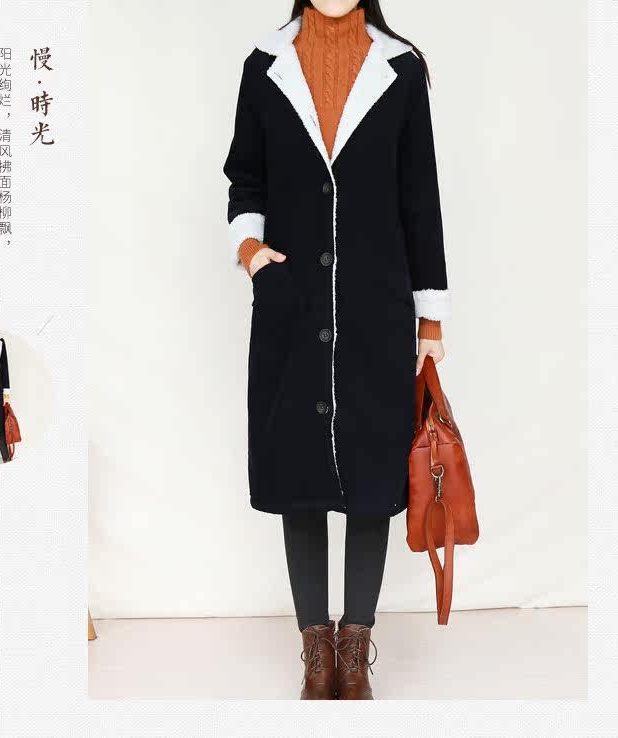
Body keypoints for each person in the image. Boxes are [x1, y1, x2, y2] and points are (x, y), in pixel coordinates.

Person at [224, 0, 449, 699]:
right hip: (290, 304)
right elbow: (245, 175)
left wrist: (430, 319)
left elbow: (420, 196)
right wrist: (251, 252)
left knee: (372, 479)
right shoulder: (264, 65)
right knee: (298, 476)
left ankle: (354, 655)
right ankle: (314, 655)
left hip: (376, 307)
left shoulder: (400, 69)